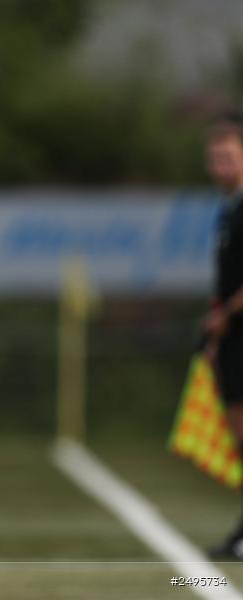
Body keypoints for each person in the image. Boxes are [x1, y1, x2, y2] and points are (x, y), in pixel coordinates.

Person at [204, 116, 243, 560]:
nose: (220, 165)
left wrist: (227, 315)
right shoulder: (228, 210)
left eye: (228, 156)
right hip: (231, 338)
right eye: (214, 157)